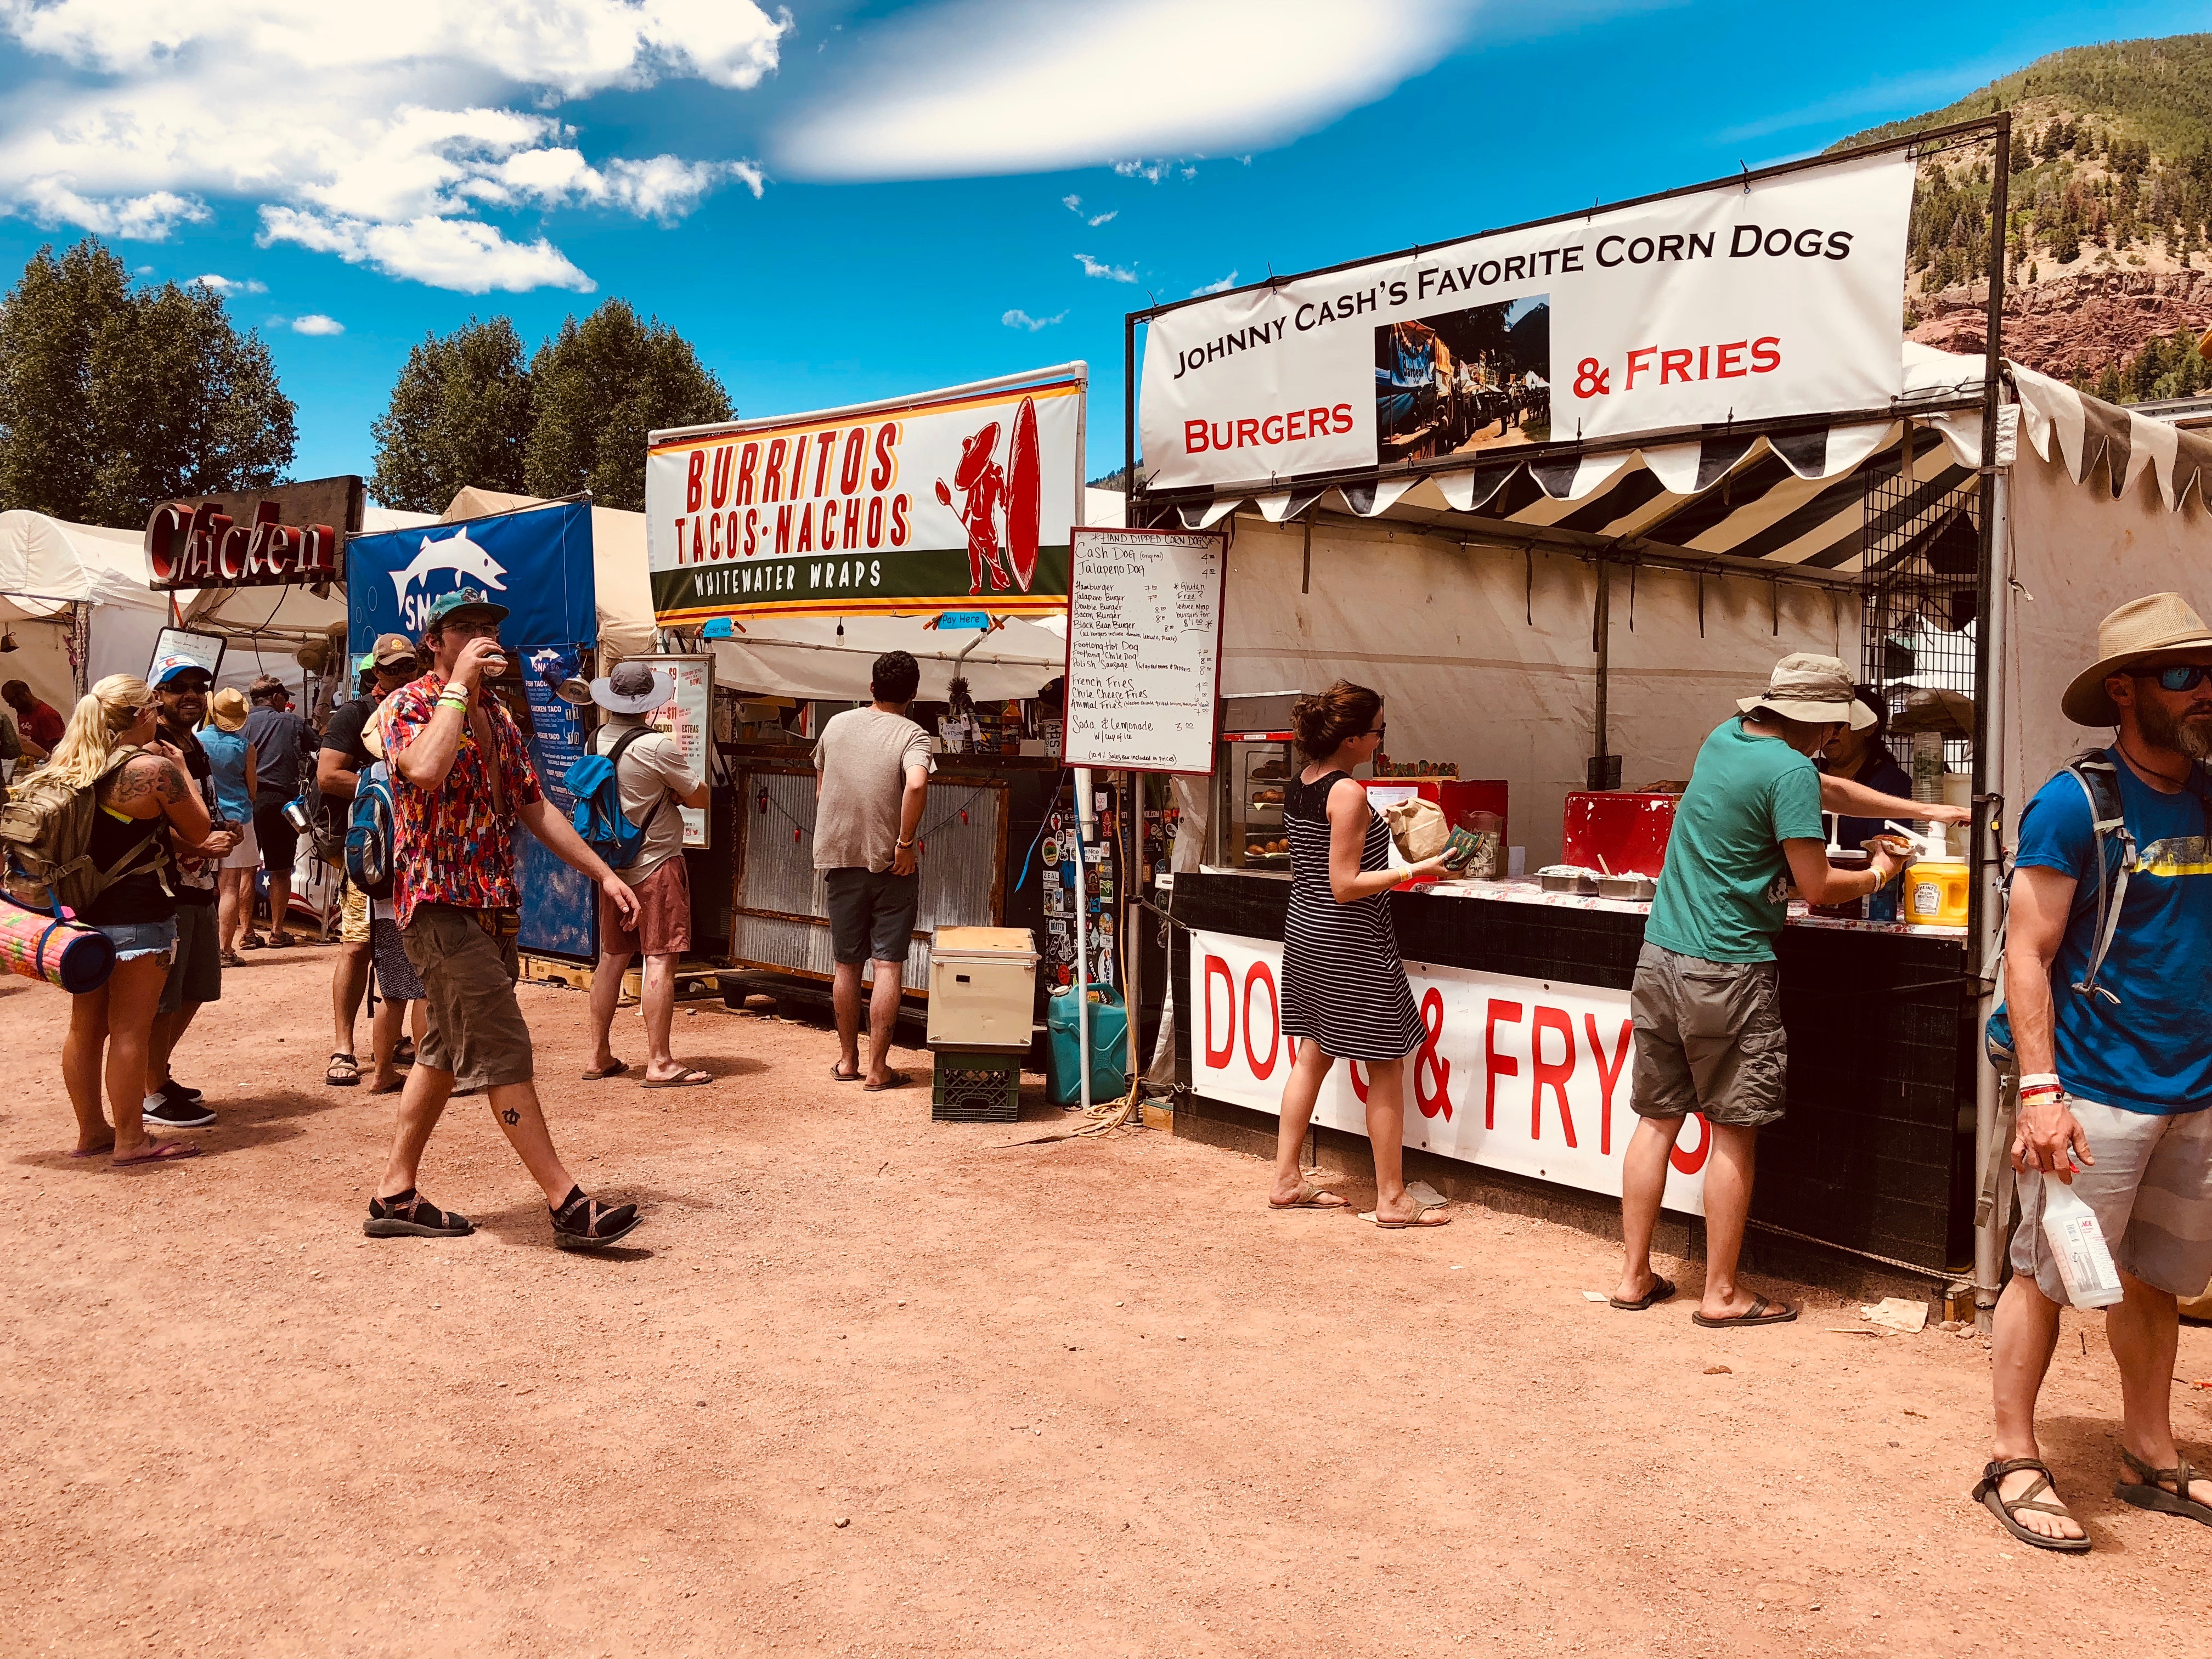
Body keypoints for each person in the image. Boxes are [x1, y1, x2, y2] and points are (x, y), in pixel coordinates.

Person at [1976, 593, 2212, 1552]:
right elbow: (2024, 950)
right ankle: (2010, 1456)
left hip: (2192, 1093)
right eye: (2178, 674)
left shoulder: (2207, 792)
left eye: (2209, 673)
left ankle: (2146, 1451)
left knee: (2154, 1278)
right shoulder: (2074, 802)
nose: (2201, 691)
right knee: (2042, 1271)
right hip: (2092, 1091)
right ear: (2122, 689)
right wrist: (2040, 1090)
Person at [1610, 654, 1910, 1322]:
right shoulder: (1792, 768)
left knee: (1656, 1121)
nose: (1834, 741)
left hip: (1662, 957)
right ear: (1823, 725)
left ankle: (1634, 1277)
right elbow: (1817, 886)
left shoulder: (1726, 737)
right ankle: (1720, 1295)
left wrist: (1926, 809)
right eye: (1833, 729)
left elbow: (1825, 791)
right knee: (1734, 1130)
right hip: (1729, 969)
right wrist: (1879, 873)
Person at [368, 587, 645, 1249]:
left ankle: (394, 1193)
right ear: (434, 641)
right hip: (440, 908)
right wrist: (457, 690)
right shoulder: (406, 707)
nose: (482, 637)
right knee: (501, 1047)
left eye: (489, 627)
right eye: (464, 628)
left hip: (493, 907)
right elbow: (426, 771)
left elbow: (535, 807)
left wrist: (603, 873)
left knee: (441, 1050)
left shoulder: (500, 719)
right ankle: (566, 1203)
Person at [1266, 681, 1454, 1226]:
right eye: (1378, 730)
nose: (1381, 739)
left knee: (1313, 1054)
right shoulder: (1347, 792)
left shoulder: (1302, 782)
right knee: (1386, 1064)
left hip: (1304, 932)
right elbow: (1345, 884)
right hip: (1347, 939)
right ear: (1351, 738)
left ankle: (1286, 1179)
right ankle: (1392, 1198)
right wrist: (1418, 869)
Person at [40, 676, 212, 1164]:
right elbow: (198, 829)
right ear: (140, 715)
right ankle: (132, 1140)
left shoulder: (65, 765)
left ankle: (92, 1130)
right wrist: (180, 767)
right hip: (138, 913)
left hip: (77, 917)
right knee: (131, 1031)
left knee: (85, 1028)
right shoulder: (153, 770)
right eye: (154, 708)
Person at [583, 659, 712, 1088]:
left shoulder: (595, 740)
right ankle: (659, 1062)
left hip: (612, 868)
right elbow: (701, 798)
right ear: (648, 705)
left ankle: (599, 1053)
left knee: (612, 958)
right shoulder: (657, 747)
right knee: (659, 959)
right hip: (656, 862)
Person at [813, 650, 933, 1091]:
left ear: (871, 688)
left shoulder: (836, 725)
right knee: (887, 965)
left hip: (840, 859)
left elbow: (822, 789)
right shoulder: (914, 734)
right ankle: (879, 1070)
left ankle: (847, 1061)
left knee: (846, 965)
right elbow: (917, 782)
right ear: (914, 694)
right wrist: (904, 843)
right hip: (890, 864)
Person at [318, 636, 421, 1088]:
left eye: (408, 667)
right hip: (371, 855)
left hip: (414, 854)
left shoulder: (423, 711)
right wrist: (383, 783)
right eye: (392, 668)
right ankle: (344, 1046)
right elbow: (327, 775)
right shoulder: (355, 714)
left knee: (408, 957)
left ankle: (399, 1046)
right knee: (358, 945)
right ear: (375, 672)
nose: (401, 675)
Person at [141, 659, 238, 1130]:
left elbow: (198, 806)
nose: (192, 695)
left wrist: (221, 830)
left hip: (199, 882)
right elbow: (147, 823)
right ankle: (151, 1090)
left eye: (200, 687)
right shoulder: (151, 746)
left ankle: (156, 1074)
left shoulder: (190, 743)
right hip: (167, 885)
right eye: (179, 688)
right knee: (164, 996)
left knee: (194, 990)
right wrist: (196, 843)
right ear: (158, 694)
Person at [241, 674, 309, 948]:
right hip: (281, 801)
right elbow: (319, 748)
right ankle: (278, 933)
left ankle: (246, 933)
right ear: (277, 697)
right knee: (280, 870)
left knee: (246, 869)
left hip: (246, 801)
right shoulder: (292, 721)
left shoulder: (240, 723)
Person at [199, 687, 259, 967]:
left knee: (197, 885)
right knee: (230, 887)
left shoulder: (196, 741)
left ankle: (199, 948)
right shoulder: (245, 747)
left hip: (202, 820)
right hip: (239, 819)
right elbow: (252, 790)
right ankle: (225, 949)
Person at [1821, 684, 1918, 850]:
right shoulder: (1808, 772)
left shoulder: (1892, 783)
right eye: (1827, 721)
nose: (1832, 731)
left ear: (1870, 727)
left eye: (1841, 723)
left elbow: (1886, 850)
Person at [3, 678, 66, 759]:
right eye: (8, 702)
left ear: (25, 694)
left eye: (12, 701)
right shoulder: (22, 711)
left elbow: (57, 750)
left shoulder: (46, 715)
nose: (10, 705)